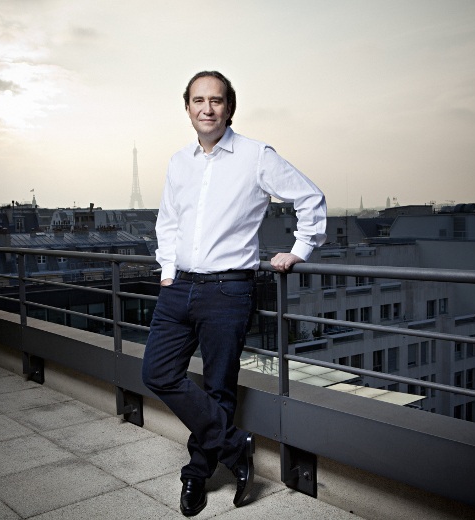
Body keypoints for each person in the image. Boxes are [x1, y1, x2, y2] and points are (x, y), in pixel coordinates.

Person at [141, 70, 327, 517]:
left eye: (216, 101)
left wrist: (299, 249)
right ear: (187, 107)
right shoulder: (178, 161)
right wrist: (167, 271)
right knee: (157, 372)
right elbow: (167, 221)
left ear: (229, 107)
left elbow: (310, 198)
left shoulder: (256, 156)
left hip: (229, 289)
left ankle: (196, 475)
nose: (207, 109)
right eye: (198, 100)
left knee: (219, 387)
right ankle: (235, 445)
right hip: (178, 286)